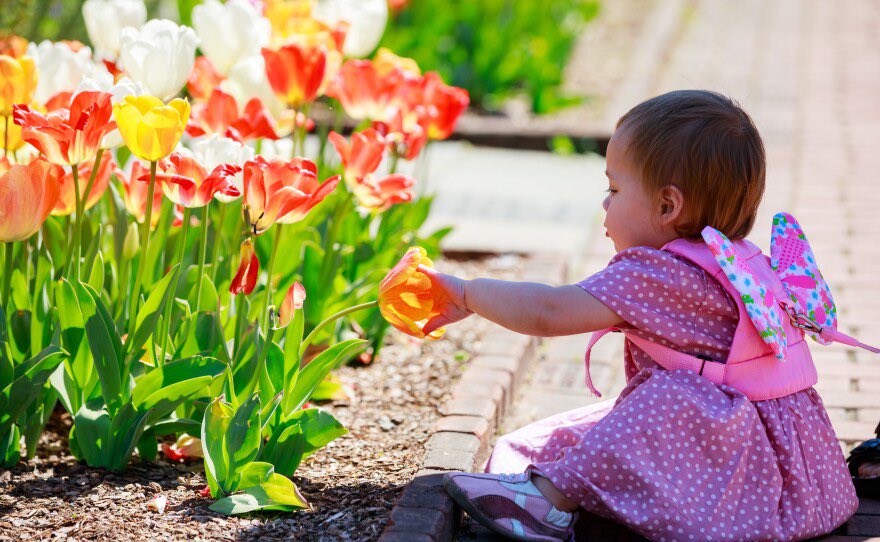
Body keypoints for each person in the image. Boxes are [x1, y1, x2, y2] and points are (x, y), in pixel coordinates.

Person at [420, 90, 866, 541]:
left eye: (613, 189)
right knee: (589, 428)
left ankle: (549, 503)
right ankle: (555, 480)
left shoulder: (657, 272)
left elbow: (548, 311)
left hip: (746, 481)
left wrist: (467, 292)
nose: (604, 203)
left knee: (666, 399)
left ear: (668, 206)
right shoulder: (743, 262)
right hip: (805, 484)